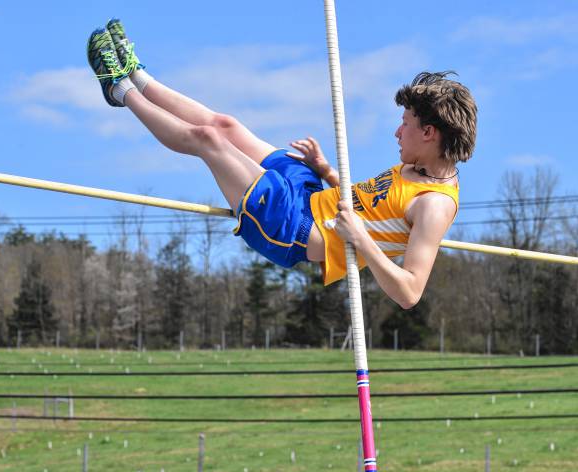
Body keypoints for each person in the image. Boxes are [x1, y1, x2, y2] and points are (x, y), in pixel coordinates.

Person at [87, 19, 477, 309]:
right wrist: (326, 171)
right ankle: (136, 74)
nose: (397, 133)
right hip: (312, 194)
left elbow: (409, 292)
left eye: (405, 125)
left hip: (294, 228)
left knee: (210, 141)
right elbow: (374, 206)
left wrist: (360, 241)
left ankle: (117, 89)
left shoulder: (435, 205)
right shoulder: (419, 165)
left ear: (429, 134)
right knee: (226, 125)